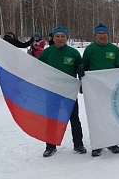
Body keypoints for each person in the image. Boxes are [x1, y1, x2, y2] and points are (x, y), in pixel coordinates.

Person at [37, 26, 86, 157]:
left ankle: (78, 144)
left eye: (62, 36)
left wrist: (81, 74)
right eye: (57, 36)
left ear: (67, 38)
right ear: (53, 38)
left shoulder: (73, 53)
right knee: (52, 119)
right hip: (52, 92)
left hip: (69, 93)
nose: (60, 38)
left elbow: (80, 67)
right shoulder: (47, 52)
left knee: (74, 119)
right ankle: (50, 146)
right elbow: (36, 66)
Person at [77, 22, 119, 157]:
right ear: (95, 35)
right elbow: (84, 63)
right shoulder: (90, 49)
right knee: (96, 116)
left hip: (110, 87)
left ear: (108, 35)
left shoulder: (114, 49)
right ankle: (97, 144)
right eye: (100, 33)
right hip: (94, 88)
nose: (102, 35)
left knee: (110, 115)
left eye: (104, 33)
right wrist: (81, 71)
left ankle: (111, 142)